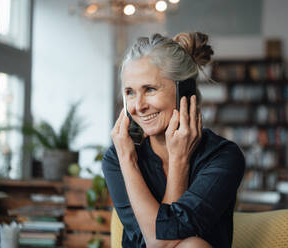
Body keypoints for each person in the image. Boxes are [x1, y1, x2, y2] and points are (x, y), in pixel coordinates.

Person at [102, 32, 245, 248]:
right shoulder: (119, 157)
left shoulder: (223, 157)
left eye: (149, 89)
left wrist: (179, 159)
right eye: (130, 92)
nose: (138, 106)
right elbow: (151, 244)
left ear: (184, 93)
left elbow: (164, 241)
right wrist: (127, 159)